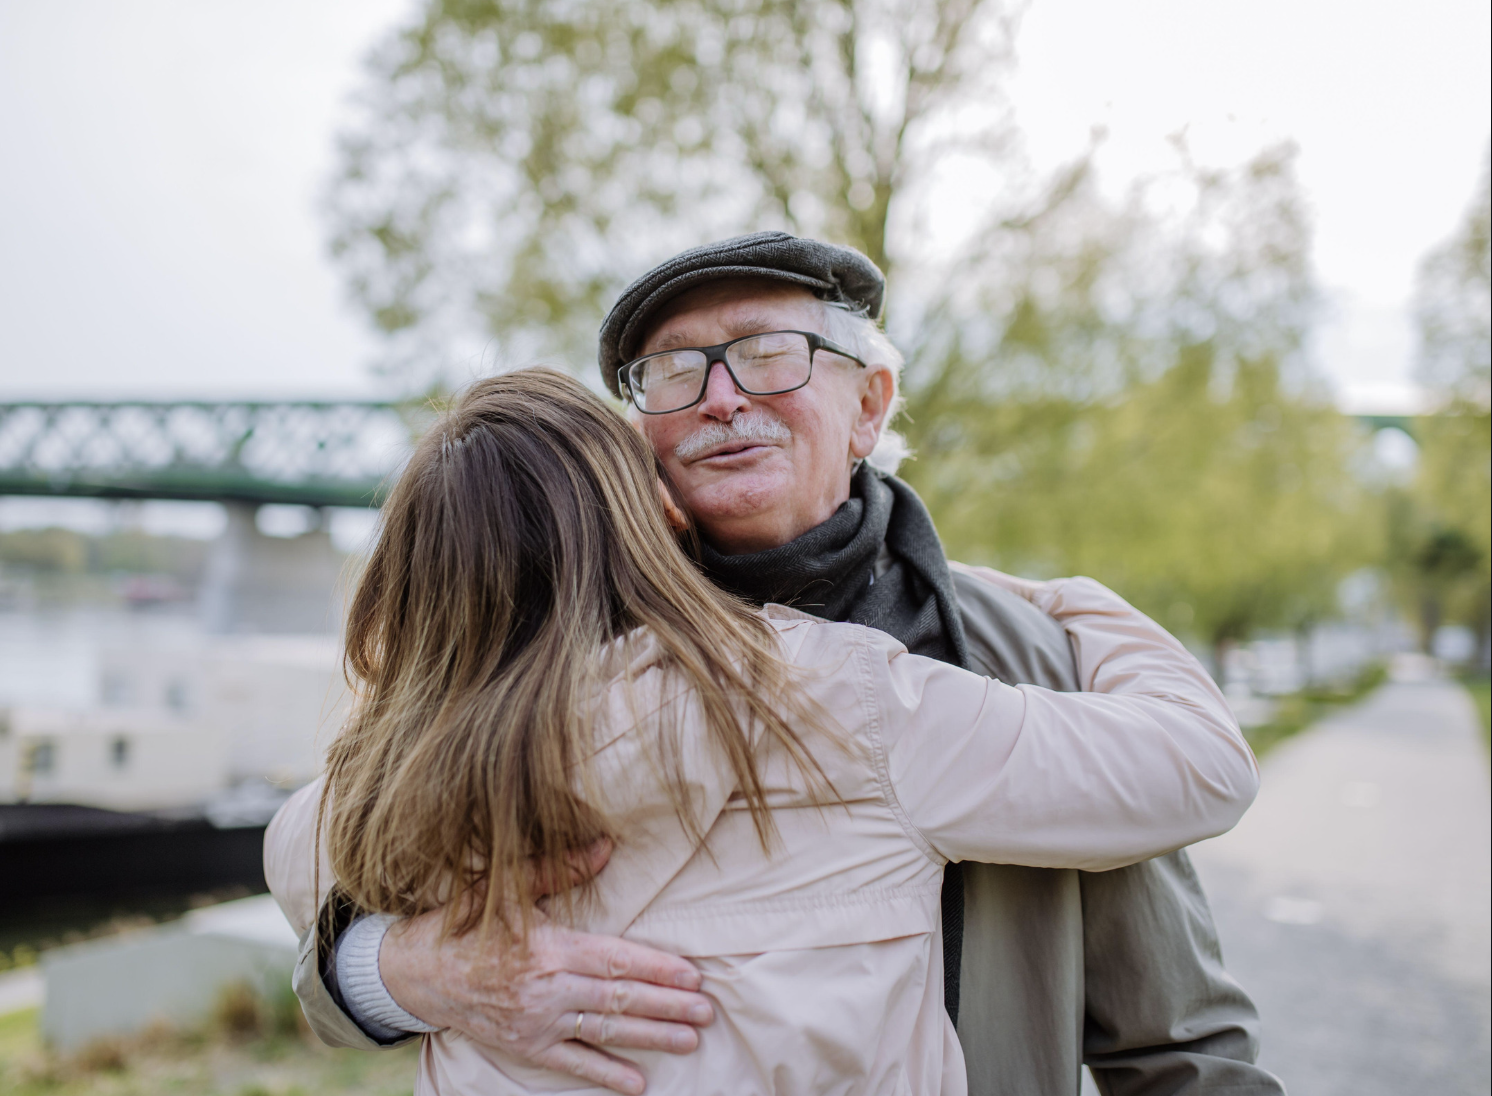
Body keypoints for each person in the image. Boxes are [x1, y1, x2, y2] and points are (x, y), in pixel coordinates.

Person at [269, 233, 1287, 1096]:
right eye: (674, 370)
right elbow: (338, 869)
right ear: (637, 446)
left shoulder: (1025, 655)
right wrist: (397, 969)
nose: (720, 397)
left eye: (768, 353)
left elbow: (1176, 1039)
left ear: (868, 407)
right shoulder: (535, 667)